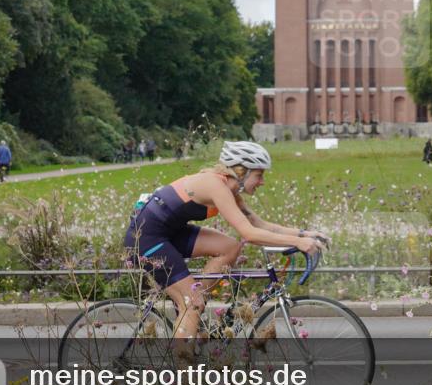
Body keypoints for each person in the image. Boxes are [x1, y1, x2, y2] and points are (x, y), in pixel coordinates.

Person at [124, 141, 327, 341]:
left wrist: (303, 235)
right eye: (259, 175)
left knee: (229, 247)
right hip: (145, 239)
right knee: (192, 304)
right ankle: (188, 330)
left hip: (170, 233)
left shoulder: (230, 189)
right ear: (242, 171)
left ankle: (194, 305)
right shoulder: (215, 185)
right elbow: (249, 234)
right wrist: (297, 243)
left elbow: (259, 224)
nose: (262, 182)